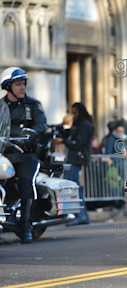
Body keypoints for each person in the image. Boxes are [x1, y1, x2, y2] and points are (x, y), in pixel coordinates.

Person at [1, 67, 47, 243]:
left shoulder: (33, 105)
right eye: (18, 84)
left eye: (23, 84)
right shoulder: (0, 106)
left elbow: (41, 124)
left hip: (27, 155)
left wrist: (29, 135)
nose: (22, 87)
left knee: (27, 180)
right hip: (5, 155)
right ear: (8, 86)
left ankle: (26, 225)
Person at [54, 103, 93, 226]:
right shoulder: (80, 124)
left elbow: (78, 142)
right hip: (73, 158)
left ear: (80, 112)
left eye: (75, 113)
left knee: (74, 187)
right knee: (73, 187)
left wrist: (63, 140)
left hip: (76, 159)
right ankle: (79, 215)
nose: (73, 115)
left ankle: (81, 215)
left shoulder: (85, 125)